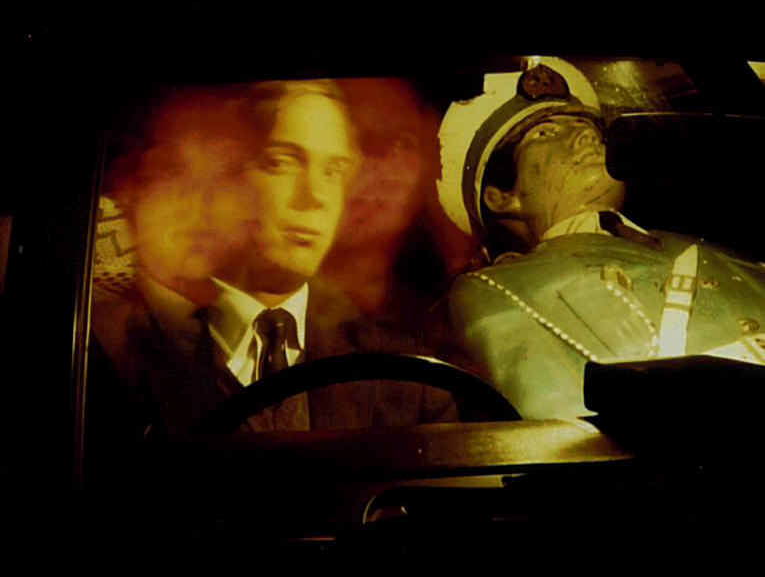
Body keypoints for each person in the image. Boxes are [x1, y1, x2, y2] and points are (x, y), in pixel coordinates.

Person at [91, 79, 456, 438]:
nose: (315, 196)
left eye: (334, 170)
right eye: (282, 162)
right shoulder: (117, 351)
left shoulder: (407, 375)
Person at [438, 57, 765, 420]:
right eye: (545, 133)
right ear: (501, 197)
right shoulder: (497, 290)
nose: (586, 136)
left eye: (584, 126)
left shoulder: (714, 249)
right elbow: (552, 419)